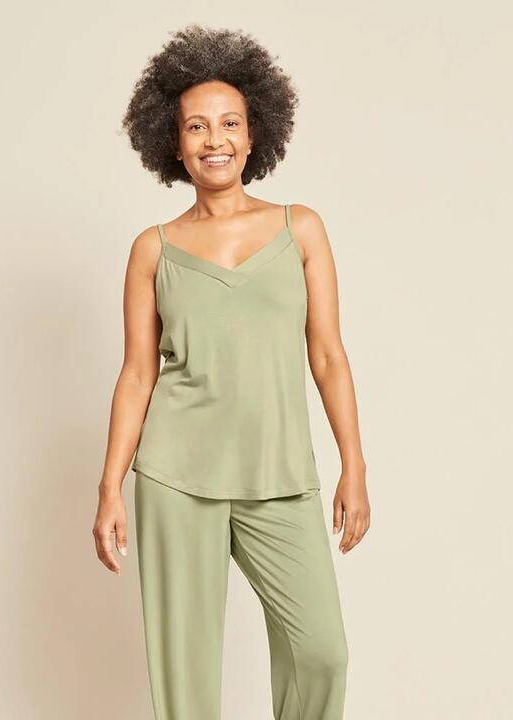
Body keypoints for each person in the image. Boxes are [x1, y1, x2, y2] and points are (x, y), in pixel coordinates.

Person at [93, 23, 370, 720]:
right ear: (173, 142)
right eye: (196, 126)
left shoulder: (300, 228)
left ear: (253, 136)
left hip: (278, 472)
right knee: (186, 676)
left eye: (229, 124)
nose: (213, 140)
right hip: (176, 473)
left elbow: (329, 355)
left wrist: (354, 466)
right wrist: (109, 486)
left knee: (323, 653)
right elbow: (136, 375)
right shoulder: (153, 249)